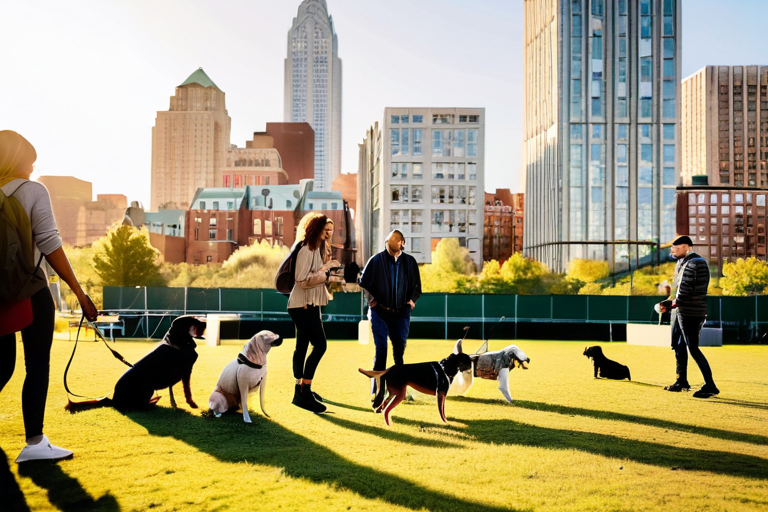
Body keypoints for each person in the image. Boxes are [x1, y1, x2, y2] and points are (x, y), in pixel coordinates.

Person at [0, 130, 98, 463]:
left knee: (1, 367)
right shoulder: (32, 190)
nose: (33, 167)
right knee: (36, 365)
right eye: (30, 161)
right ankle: (34, 442)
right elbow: (50, 243)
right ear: (19, 160)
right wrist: (80, 293)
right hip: (30, 290)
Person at [287, 213, 340, 413]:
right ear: (316, 228)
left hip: (309, 305)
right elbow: (301, 280)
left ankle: (300, 389)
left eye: (331, 230)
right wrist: (326, 269)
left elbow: (313, 278)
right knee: (320, 345)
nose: (329, 233)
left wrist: (326, 274)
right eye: (326, 229)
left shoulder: (316, 248)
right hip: (303, 306)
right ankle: (304, 391)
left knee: (302, 346)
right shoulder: (306, 248)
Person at [359, 230, 421, 394]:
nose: (391, 242)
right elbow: (363, 282)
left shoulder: (409, 262)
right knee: (381, 349)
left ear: (402, 242)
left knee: (399, 351)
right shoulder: (376, 260)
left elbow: (417, 286)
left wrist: (412, 301)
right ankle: (378, 391)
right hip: (379, 312)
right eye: (389, 240)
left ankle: (398, 389)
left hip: (401, 313)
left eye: (395, 240)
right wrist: (372, 300)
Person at [661, 235, 719, 398]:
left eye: (676, 248)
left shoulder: (695, 263)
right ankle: (681, 381)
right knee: (678, 345)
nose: (672, 251)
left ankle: (710, 385)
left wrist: (672, 304)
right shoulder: (681, 263)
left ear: (686, 246)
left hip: (691, 311)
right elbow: (677, 289)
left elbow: (685, 291)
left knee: (692, 347)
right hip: (680, 310)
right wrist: (669, 302)